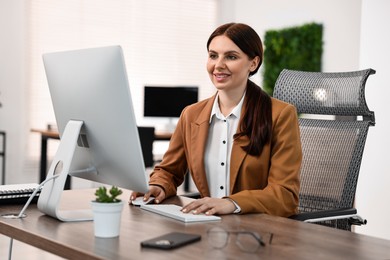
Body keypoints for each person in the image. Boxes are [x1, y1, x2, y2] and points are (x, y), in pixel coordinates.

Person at [130, 22, 302, 217]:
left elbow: (285, 195)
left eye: (231, 56)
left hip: (259, 232)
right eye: (213, 55)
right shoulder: (191, 115)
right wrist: (158, 186)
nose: (218, 65)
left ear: (253, 63)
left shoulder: (280, 114)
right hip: (207, 225)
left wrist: (232, 203)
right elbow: (169, 171)